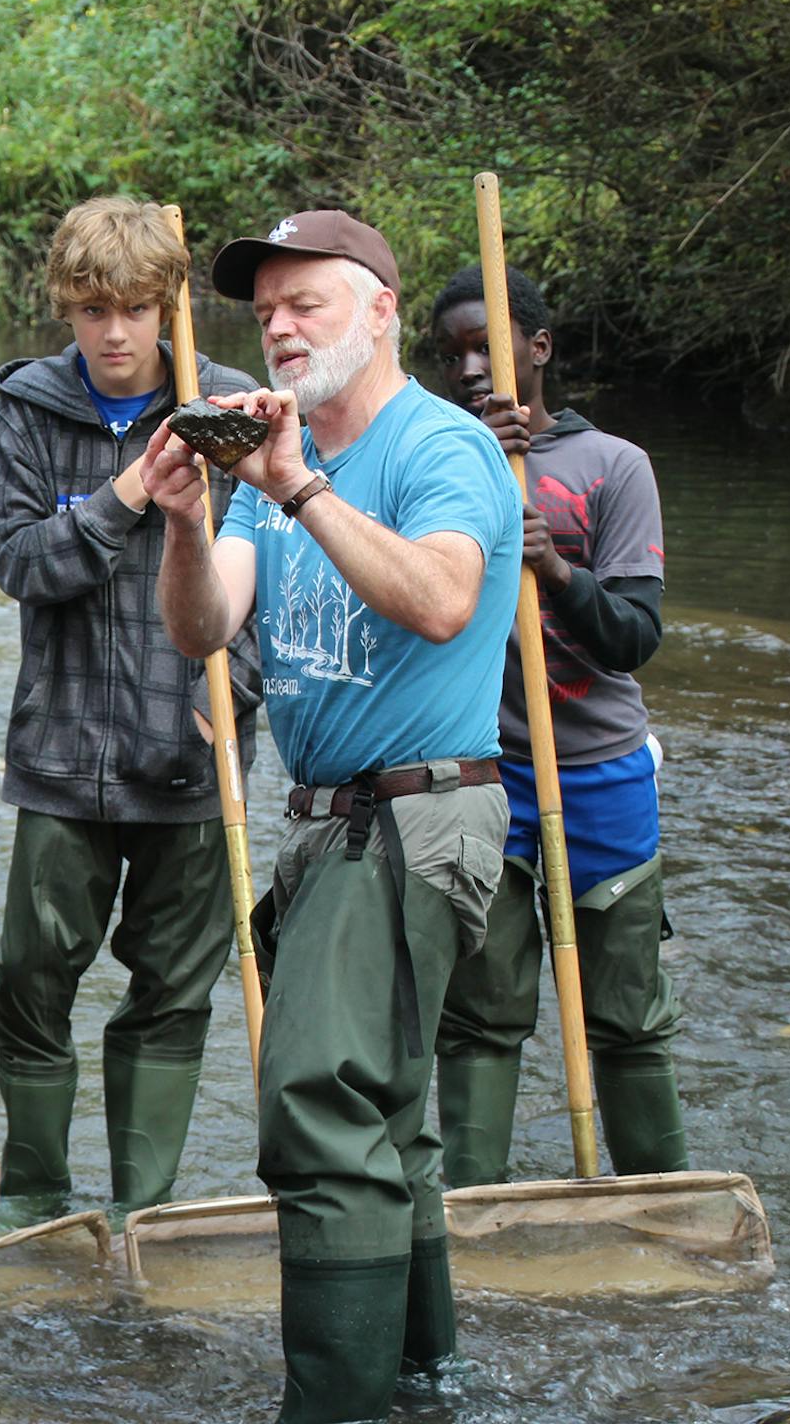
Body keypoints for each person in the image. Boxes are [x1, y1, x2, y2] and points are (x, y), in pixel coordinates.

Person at [145, 210, 522, 1422]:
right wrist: (191, 520)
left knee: (316, 1106)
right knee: (385, 1124)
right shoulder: (269, 463)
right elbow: (204, 629)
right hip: (328, 825)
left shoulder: (438, 447)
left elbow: (446, 601)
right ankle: (422, 1380)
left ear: (381, 311)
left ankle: (332, 1406)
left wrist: (297, 484)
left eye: (309, 302)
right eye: (266, 313)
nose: (282, 326)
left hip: (414, 816)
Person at [0, 195, 264, 1223]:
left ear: (167, 307)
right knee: (28, 986)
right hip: (58, 754)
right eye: (93, 309)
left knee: (171, 995)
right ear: (67, 306)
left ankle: (147, 1206)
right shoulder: (29, 406)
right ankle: (38, 1196)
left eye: (137, 309)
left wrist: (241, 686)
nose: (113, 333)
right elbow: (18, 563)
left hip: (189, 753)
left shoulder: (231, 408)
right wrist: (128, 495)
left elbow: (278, 567)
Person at [428, 264, 685, 1184]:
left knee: (625, 1010)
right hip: (487, 774)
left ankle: (662, 1201)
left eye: (486, 347)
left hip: (602, 772)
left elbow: (634, 638)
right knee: (484, 1007)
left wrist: (558, 568)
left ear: (537, 349)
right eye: (451, 353)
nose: (469, 369)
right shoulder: (437, 460)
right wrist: (472, 470)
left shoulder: (614, 467)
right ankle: (472, 1213)